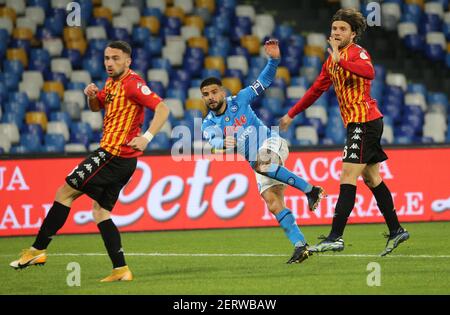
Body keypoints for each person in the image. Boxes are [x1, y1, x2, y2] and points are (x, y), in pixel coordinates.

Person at [10, 41, 170, 281]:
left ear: (128, 61)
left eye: (115, 58)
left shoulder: (134, 84)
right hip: (122, 160)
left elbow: (163, 109)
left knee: (64, 193)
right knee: (100, 211)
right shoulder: (112, 82)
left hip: (113, 155)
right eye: (107, 58)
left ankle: (37, 249)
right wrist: (92, 96)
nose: (109, 62)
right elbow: (98, 108)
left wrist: (147, 137)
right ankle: (121, 269)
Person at [279, 8, 409, 256]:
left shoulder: (356, 53)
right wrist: (291, 114)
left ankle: (335, 236)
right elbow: (316, 89)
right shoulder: (331, 61)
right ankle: (396, 230)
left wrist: (344, 62)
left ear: (353, 33)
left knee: (347, 176)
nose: (337, 32)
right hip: (357, 124)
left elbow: (370, 72)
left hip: (365, 122)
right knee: (371, 179)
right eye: (334, 28)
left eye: (342, 29)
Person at [201, 39, 325, 264]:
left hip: (271, 143)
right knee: (273, 202)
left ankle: (311, 190)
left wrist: (274, 60)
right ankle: (300, 246)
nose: (210, 97)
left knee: (262, 163)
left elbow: (264, 80)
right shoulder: (208, 123)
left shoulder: (240, 99)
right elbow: (213, 140)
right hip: (257, 163)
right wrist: (221, 143)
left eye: (213, 92)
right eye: (206, 94)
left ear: (222, 91)